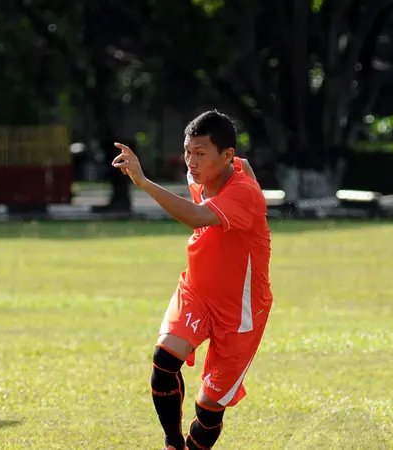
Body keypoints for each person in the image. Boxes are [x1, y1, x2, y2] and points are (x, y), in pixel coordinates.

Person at [111, 110, 273, 450]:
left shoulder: (244, 192)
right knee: (164, 360)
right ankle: (173, 443)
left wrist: (142, 181)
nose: (192, 161)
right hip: (197, 290)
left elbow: (196, 215)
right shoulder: (216, 168)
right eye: (188, 151)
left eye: (200, 153)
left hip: (241, 311)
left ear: (225, 156)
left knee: (209, 407)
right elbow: (242, 164)